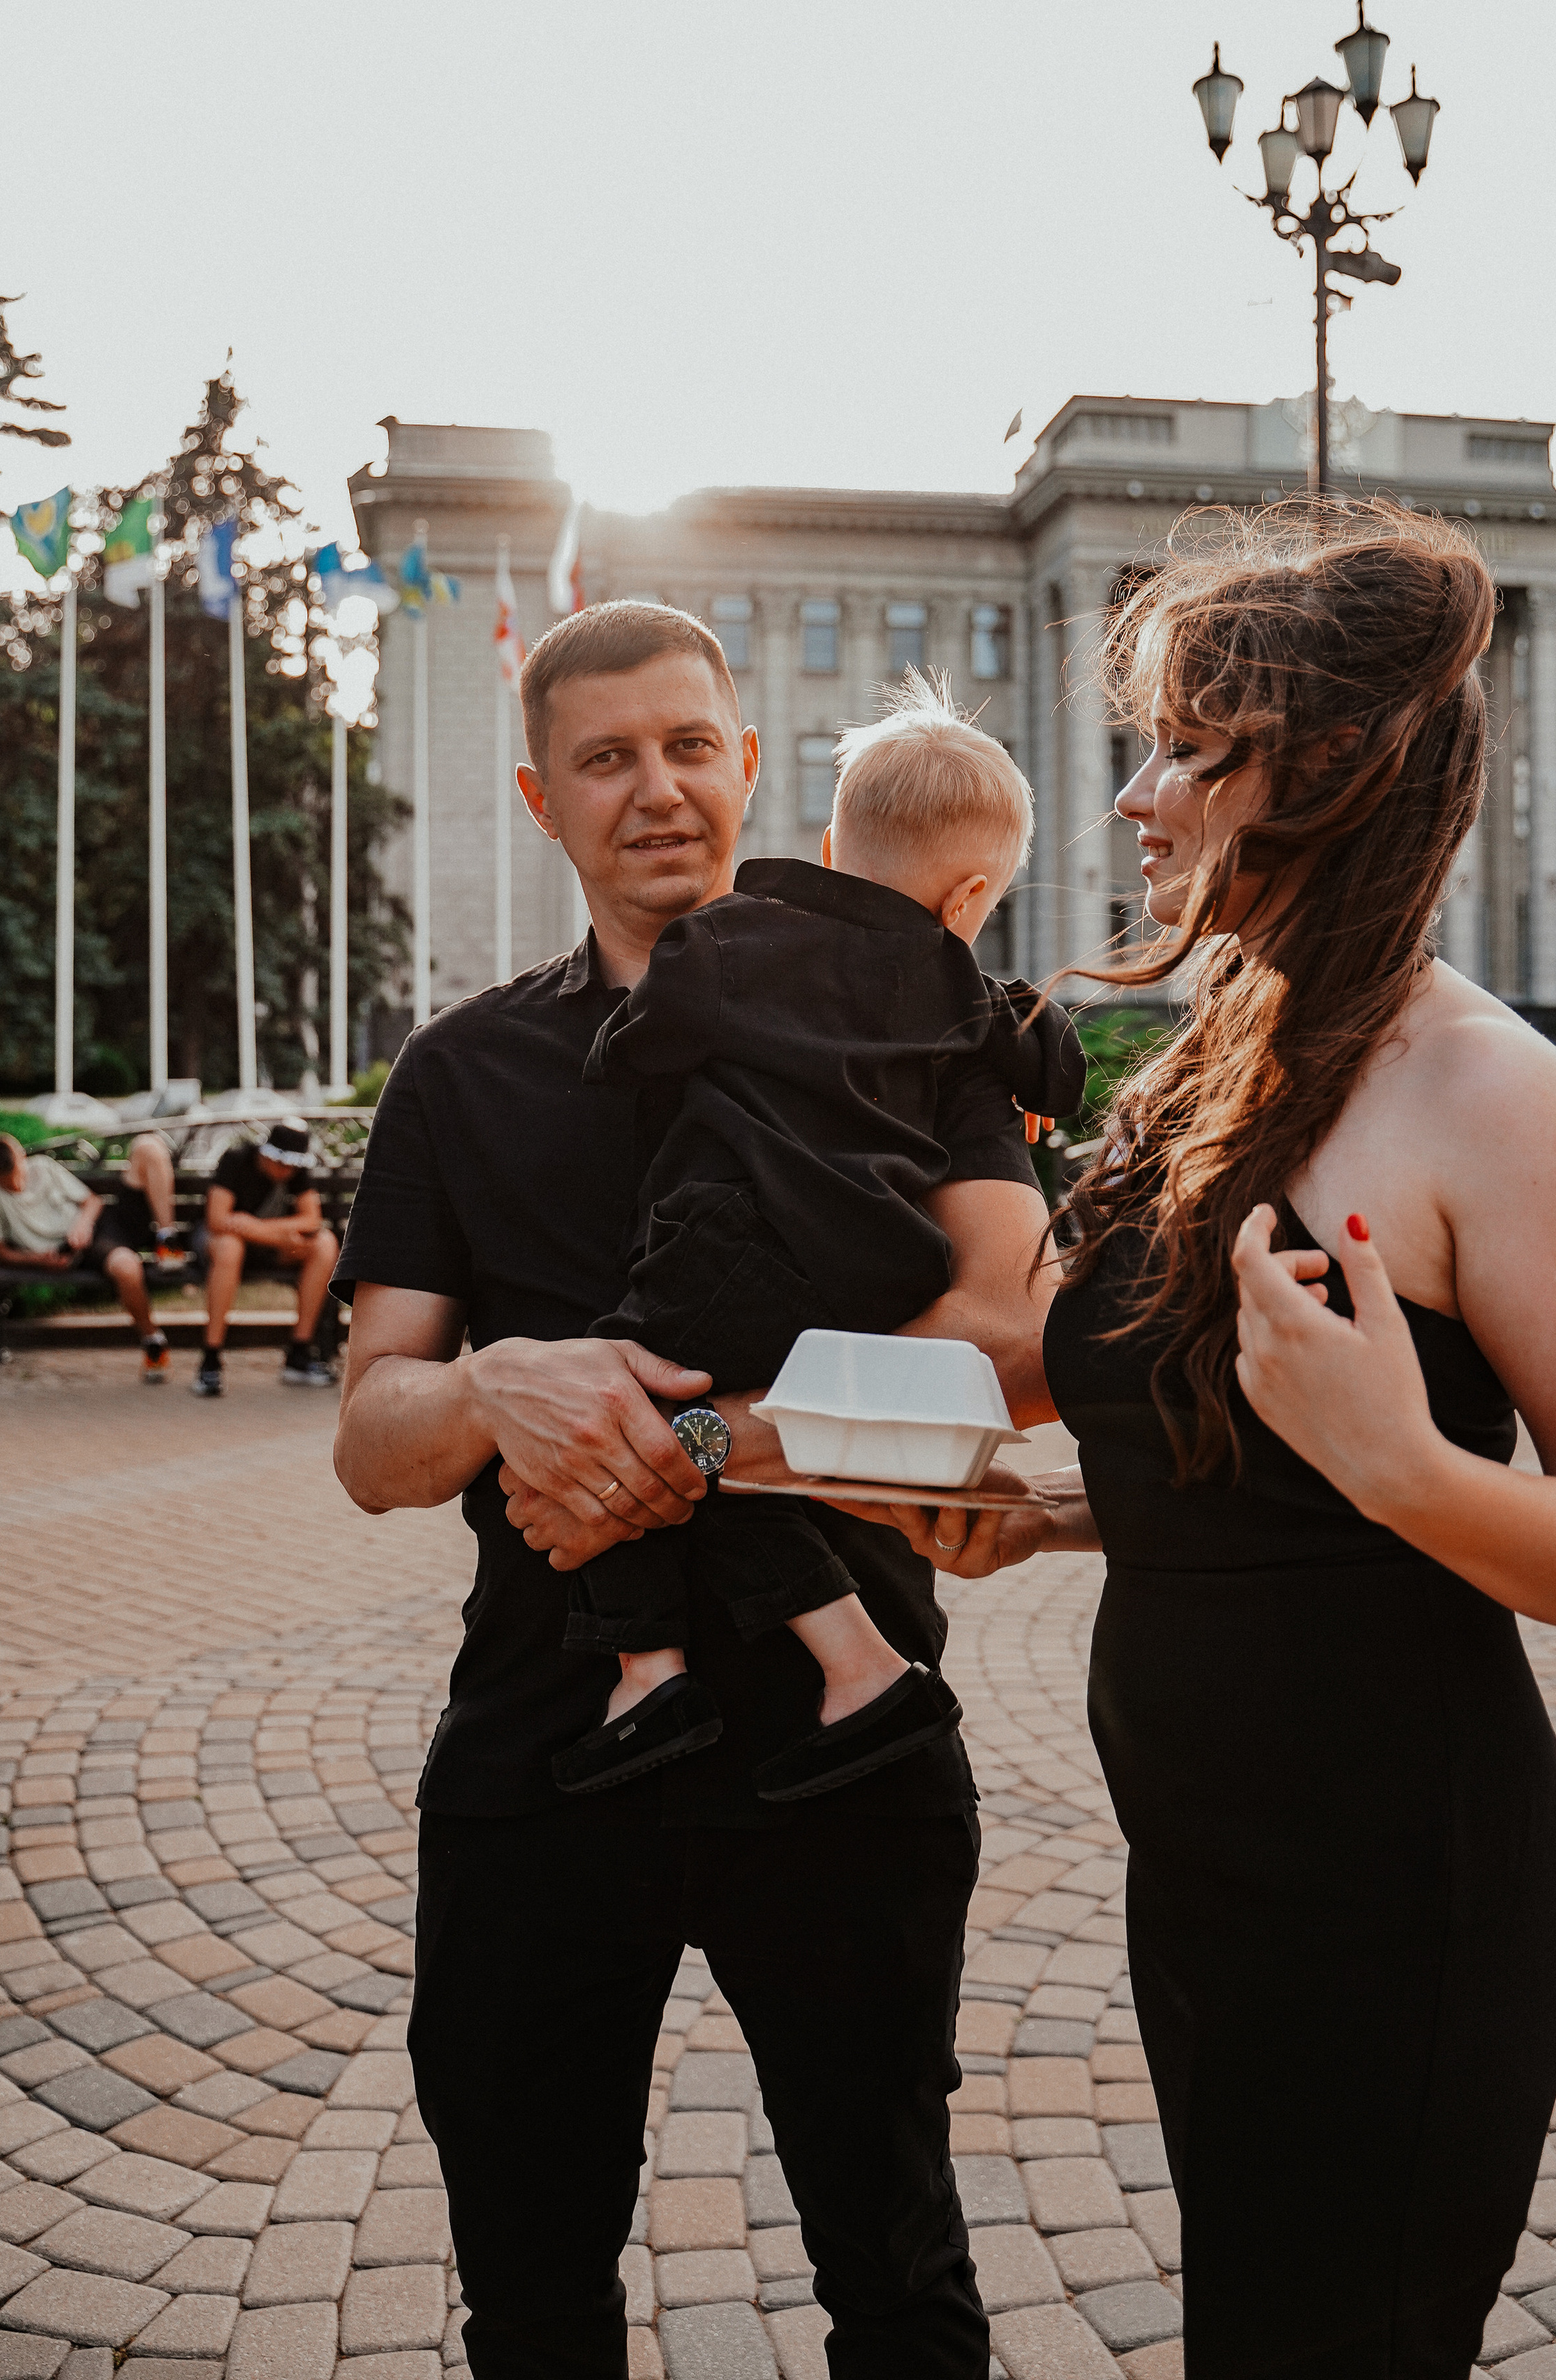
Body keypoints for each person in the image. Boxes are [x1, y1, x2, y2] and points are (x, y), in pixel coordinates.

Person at [860, 508, 1556, 2376]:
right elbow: (1267, 1455)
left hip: (1398, 1905)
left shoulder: (1487, 1090)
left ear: (1328, 773)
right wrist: (1070, 1508)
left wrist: (1412, 1471)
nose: (1139, 800)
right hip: (1213, 1891)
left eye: (1189, 749)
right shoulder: (1226, 1050)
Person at [332, 600, 1058, 2380]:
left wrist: (705, 1438)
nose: (654, 788)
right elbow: (373, 1433)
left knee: (894, 2274)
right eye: (603, 756)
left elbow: (1008, 1341)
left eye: (685, 744)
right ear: (539, 796)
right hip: (541, 1748)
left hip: (850, 1743)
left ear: (748, 765)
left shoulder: (919, 1029)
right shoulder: (461, 1072)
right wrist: (501, 1386)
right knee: (532, 2283)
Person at [558, 671, 1085, 1802]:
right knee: (741, 1463)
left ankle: (646, 1670)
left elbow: (640, 1040)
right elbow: (1053, 1057)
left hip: (731, 1251)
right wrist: (1030, 1079)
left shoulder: (730, 940)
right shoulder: (964, 988)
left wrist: (629, 1070)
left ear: (837, 840)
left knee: (629, 1421)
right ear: (974, 894)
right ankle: (856, 1665)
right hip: (879, 1272)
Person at [0, 1130, 178, 1380]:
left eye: (17, 1175)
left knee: (148, 1146)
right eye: (8, 1183)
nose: (16, 1186)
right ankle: (153, 1341)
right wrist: (38, 1261)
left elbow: (92, 1202)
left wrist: (83, 1225)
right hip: (66, 1254)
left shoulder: (43, 1167)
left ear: (22, 1157)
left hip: (96, 1230)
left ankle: (168, 1241)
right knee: (127, 1267)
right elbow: (0, 1251)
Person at [193, 1118, 339, 1396]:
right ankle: (210, 1359)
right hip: (223, 1244)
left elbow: (311, 1220)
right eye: (281, 1163)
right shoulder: (237, 1160)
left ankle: (299, 1352)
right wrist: (275, 1233)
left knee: (324, 1244)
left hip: (269, 1246)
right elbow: (217, 1220)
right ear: (267, 1153)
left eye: (292, 1165)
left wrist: (257, 1228)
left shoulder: (296, 1172)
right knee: (230, 1248)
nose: (287, 1171)